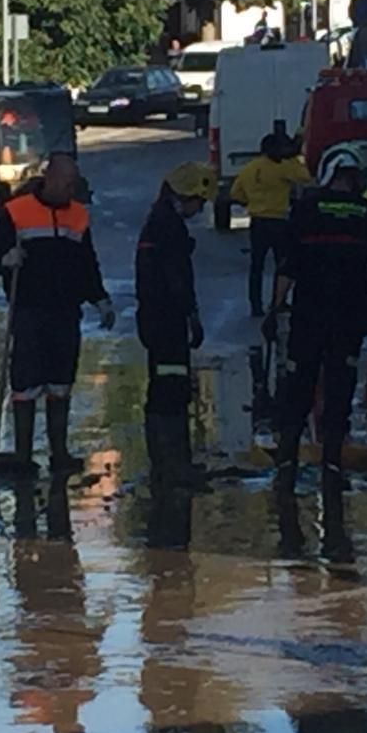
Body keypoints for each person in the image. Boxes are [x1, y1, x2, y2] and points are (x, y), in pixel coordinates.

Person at [264, 147, 367, 507]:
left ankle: (286, 469)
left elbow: (287, 268)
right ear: (356, 177)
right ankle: (332, 468)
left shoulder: (305, 211)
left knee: (298, 390)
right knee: (339, 392)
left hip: (308, 317)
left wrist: (273, 309)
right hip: (347, 319)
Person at [0, 153, 116, 473]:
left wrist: (100, 298)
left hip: (65, 311)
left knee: (60, 383)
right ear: (51, 179)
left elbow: (86, 263)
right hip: (29, 309)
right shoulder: (18, 211)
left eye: (74, 184)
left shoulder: (78, 216)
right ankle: (23, 456)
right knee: (26, 383)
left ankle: (59, 454)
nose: (72, 189)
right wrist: (5, 260)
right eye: (68, 183)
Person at [135, 161, 218, 488]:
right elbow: (176, 278)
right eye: (199, 201)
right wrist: (191, 314)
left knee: (167, 386)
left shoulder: (159, 222)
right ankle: (172, 465)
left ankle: (169, 463)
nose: (200, 208)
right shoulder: (168, 227)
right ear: (187, 194)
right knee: (171, 389)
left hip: (157, 318)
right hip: (166, 320)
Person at [231, 133, 314, 318]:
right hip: (278, 221)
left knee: (256, 266)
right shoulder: (282, 168)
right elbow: (306, 177)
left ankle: (255, 305)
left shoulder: (250, 168)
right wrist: (293, 158)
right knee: (282, 264)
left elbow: (236, 193)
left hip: (257, 222)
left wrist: (251, 203)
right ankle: (278, 301)